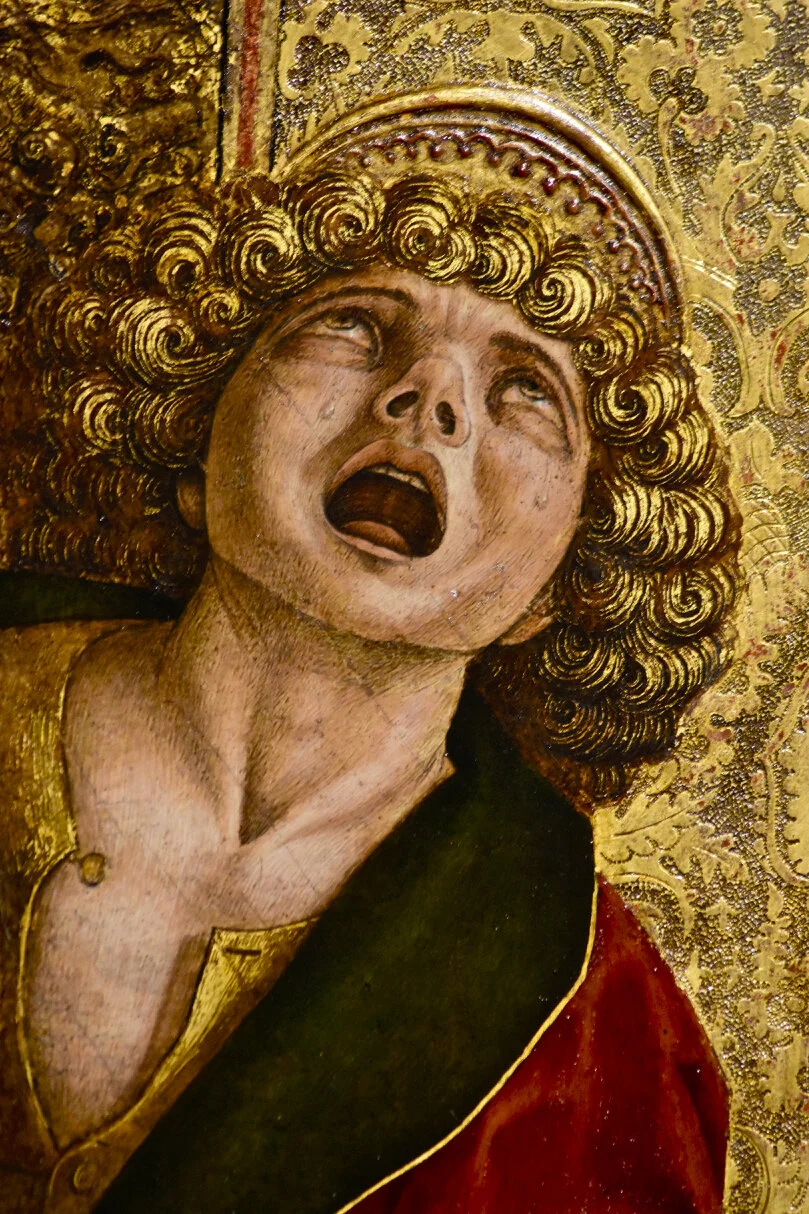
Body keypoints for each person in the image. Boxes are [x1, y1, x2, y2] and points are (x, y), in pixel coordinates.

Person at [0, 90, 737, 1212]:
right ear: (194, 429)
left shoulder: (602, 1021)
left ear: (563, 581)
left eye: (524, 390)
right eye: (353, 325)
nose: (427, 398)